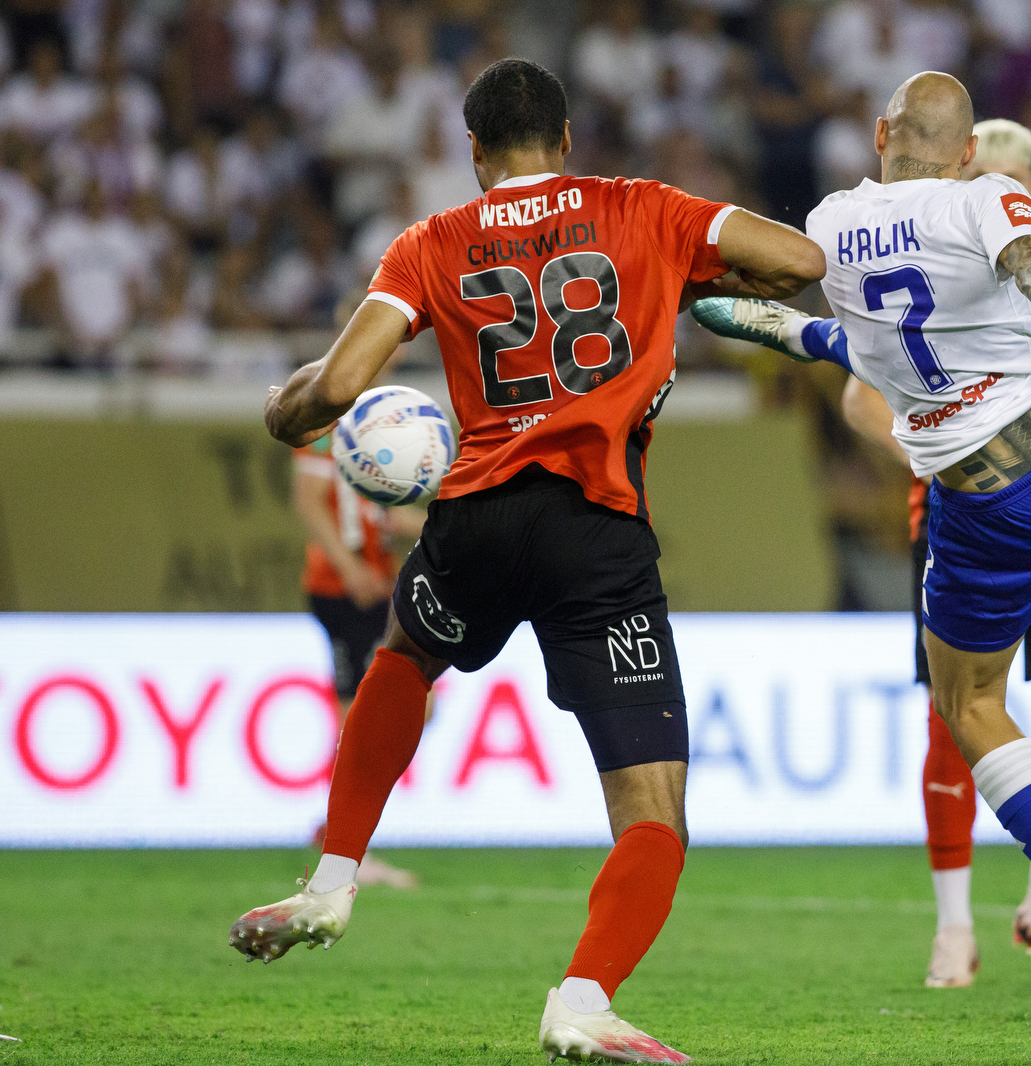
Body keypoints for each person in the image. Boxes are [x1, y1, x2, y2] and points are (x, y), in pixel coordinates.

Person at [228, 58, 825, 1065]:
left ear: (472, 152)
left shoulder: (431, 242)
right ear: (565, 140)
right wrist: (708, 273)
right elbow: (797, 259)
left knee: (403, 658)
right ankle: (582, 999)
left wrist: (287, 412)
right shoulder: (641, 207)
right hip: (596, 527)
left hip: (475, 512)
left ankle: (331, 880)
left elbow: (336, 384)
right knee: (652, 806)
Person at [696, 74, 1031, 1017]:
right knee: (877, 338)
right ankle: (815, 338)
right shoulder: (985, 200)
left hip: (987, 497)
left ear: (880, 134)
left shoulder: (830, 223)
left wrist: (703, 280)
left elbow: (768, 263)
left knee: (969, 704)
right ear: (967, 155)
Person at [292, 385, 426, 891]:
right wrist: (349, 567)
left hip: (374, 582)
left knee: (400, 709)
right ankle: (345, 850)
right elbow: (308, 501)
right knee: (359, 717)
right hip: (344, 587)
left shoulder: (376, 425)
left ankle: (340, 835)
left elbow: (379, 516)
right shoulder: (326, 422)